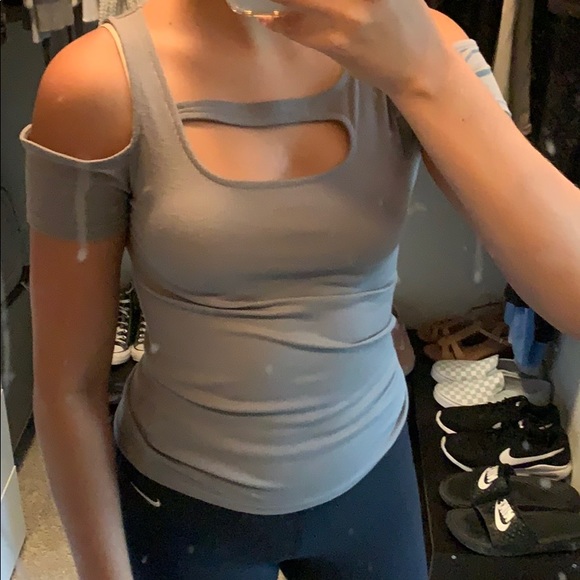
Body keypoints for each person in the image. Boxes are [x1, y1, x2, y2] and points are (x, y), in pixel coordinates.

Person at [22, 1, 580, 579]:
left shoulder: (419, 45)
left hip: (372, 475)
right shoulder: (98, 83)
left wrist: (423, 75)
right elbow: (67, 388)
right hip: (182, 500)